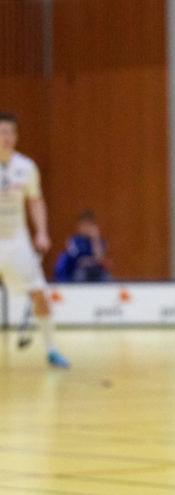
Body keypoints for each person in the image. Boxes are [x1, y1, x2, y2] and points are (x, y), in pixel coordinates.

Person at [0, 113, 69, 367]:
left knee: (40, 294)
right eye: (2, 132)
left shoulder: (26, 167)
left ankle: (51, 349)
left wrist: (41, 231)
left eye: (11, 133)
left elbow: (35, 200)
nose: (8, 138)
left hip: (17, 241)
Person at [53, 210, 110, 282]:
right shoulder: (74, 241)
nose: (86, 228)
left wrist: (95, 239)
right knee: (80, 276)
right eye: (84, 225)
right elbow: (77, 260)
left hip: (96, 271)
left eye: (89, 225)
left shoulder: (99, 241)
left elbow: (100, 258)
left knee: (106, 278)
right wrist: (93, 261)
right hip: (78, 271)